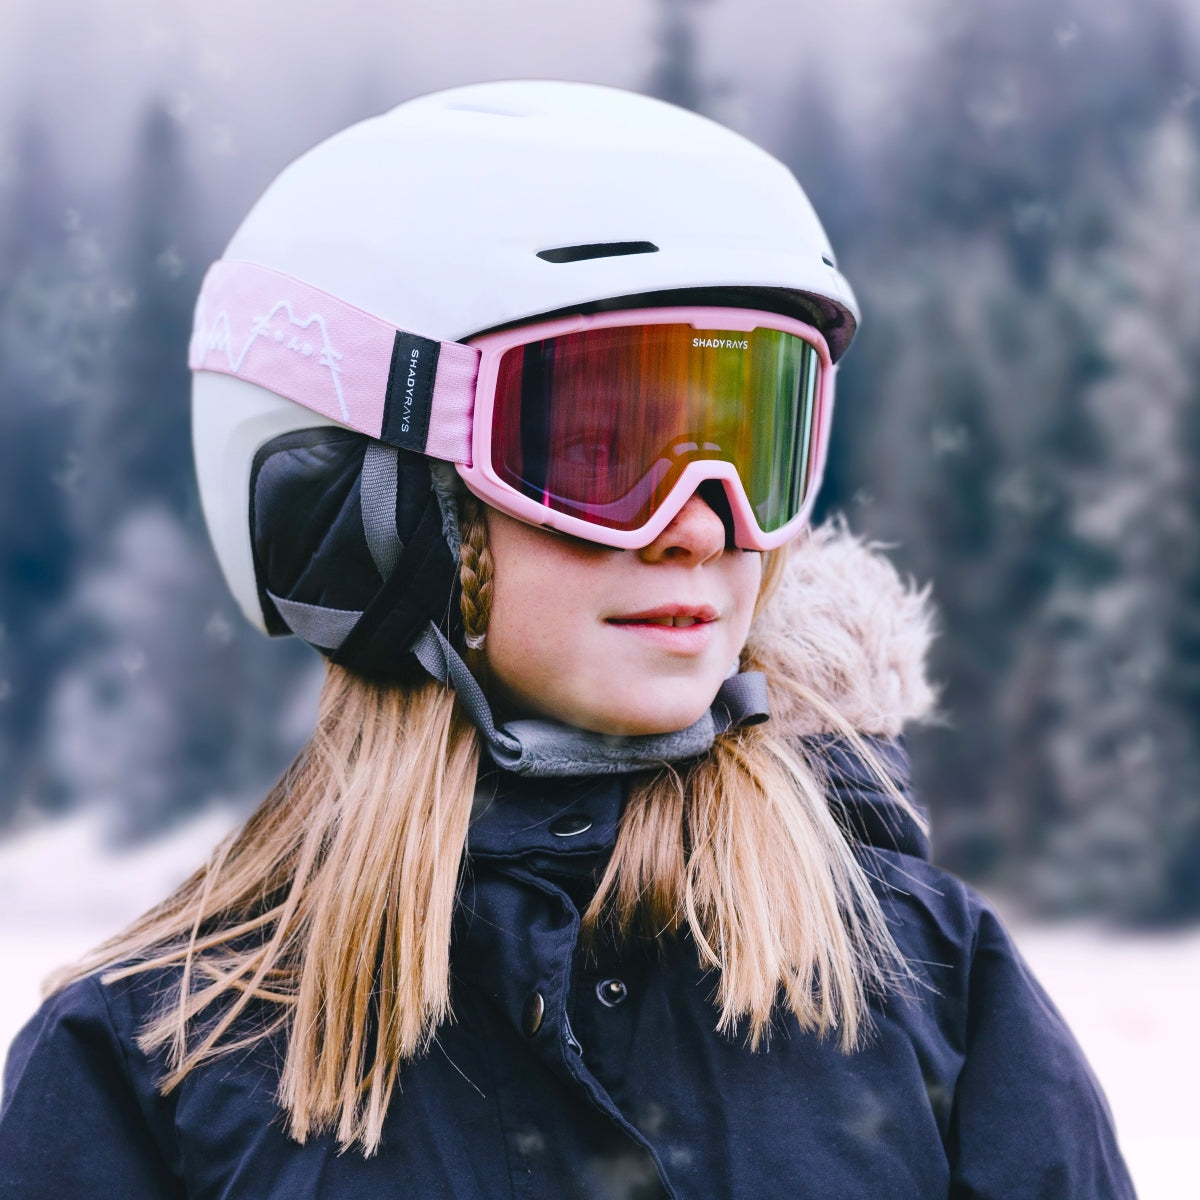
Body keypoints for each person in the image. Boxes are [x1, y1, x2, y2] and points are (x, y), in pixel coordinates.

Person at [0, 80, 1135, 1199]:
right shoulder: (154, 1073)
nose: (700, 524)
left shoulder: (931, 989)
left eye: (750, 446)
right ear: (366, 501)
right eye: (602, 450)